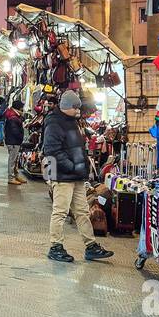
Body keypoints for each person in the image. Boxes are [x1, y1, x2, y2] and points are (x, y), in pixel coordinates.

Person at [41, 90, 113, 263]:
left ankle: (91, 246)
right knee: (60, 212)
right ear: (68, 107)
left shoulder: (71, 121)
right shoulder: (54, 123)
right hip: (63, 176)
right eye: (76, 108)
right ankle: (55, 246)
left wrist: (82, 168)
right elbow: (52, 151)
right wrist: (72, 166)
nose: (79, 111)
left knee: (82, 211)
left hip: (76, 176)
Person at [4, 99, 26, 185]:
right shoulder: (13, 117)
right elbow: (15, 131)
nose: (23, 110)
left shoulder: (13, 115)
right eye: (22, 108)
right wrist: (20, 137)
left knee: (15, 160)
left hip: (14, 141)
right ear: (18, 108)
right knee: (12, 160)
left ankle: (16, 175)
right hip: (13, 142)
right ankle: (11, 178)